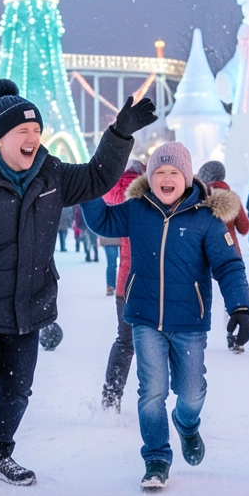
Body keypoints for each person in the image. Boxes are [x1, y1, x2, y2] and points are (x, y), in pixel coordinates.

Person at [0, 79, 155, 486]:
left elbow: (97, 177)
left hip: (29, 302)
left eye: (37, 132)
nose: (33, 139)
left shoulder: (50, 173)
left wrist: (119, 134)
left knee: (17, 390)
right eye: (24, 132)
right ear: (0, 139)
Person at [81, 142, 249, 490]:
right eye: (159, 171)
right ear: (150, 176)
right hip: (145, 318)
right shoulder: (137, 210)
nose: (166, 178)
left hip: (189, 321)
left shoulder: (206, 217)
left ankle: (187, 425)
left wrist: (240, 306)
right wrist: (88, 182)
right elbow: (101, 220)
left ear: (186, 177)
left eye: (173, 172)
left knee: (190, 394)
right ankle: (156, 457)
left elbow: (228, 264)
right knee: (151, 392)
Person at [98, 161, 145, 412]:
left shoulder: (117, 193)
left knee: (125, 342)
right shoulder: (149, 194)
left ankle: (111, 396)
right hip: (152, 281)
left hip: (125, 282)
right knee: (155, 343)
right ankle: (150, 400)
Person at [197, 160, 249, 255]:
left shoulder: (199, 199)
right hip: (231, 254)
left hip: (206, 256)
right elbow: (244, 228)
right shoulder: (233, 199)